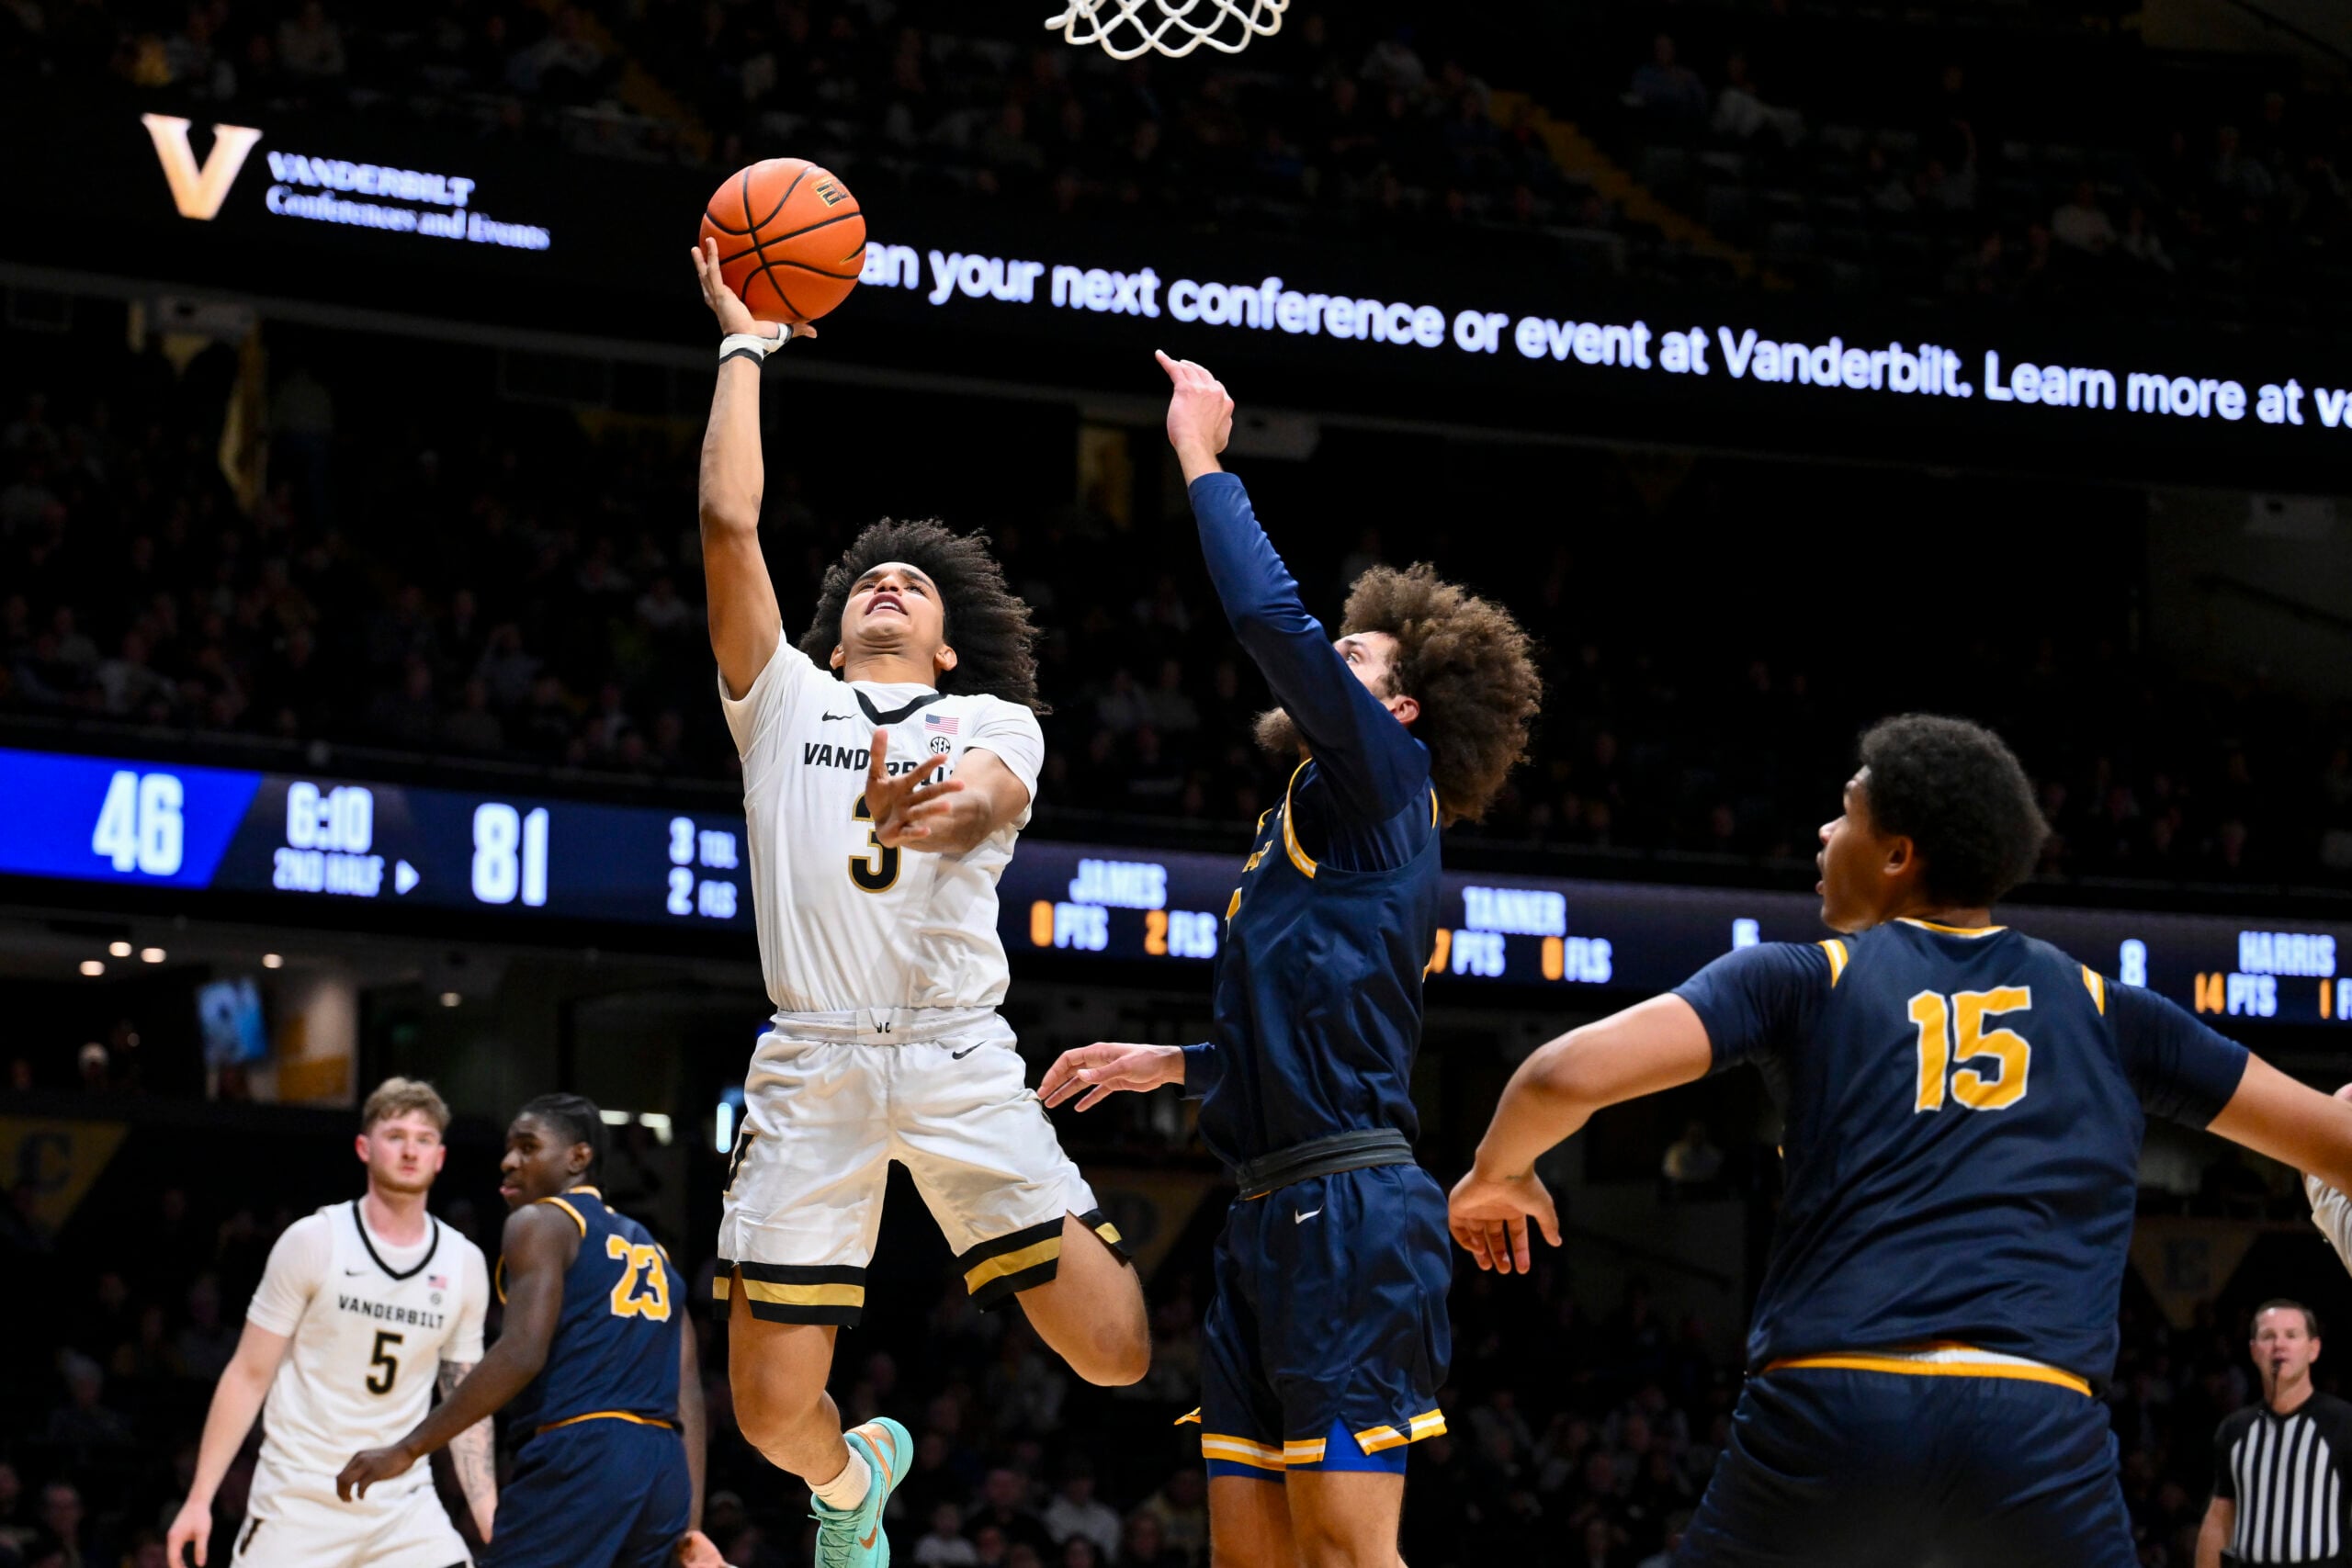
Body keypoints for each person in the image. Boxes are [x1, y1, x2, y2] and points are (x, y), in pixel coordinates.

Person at [1449, 714, 2352, 1565]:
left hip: (1831, 1408)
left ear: (1895, 854)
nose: (1820, 834)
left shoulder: (1799, 979)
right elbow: (2335, 1143)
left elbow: (1557, 1076)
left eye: (1841, 813)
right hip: (2038, 1425)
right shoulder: (2111, 1012)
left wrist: (1500, 1174)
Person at [687, 238, 1149, 1568]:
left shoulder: (991, 712)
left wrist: (946, 808)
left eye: (917, 584)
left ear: (948, 641)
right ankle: (855, 1476)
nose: (889, 582)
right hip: (814, 1056)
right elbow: (729, 523)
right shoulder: (781, 698)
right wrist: (744, 346)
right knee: (773, 1416)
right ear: (831, 633)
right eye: (868, 582)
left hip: (955, 1052)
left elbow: (997, 793)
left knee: (1118, 1355)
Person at [1042, 353, 1541, 1566]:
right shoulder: (1304, 821)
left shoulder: (1387, 777)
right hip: (1267, 1206)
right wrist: (1171, 1057)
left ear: (1405, 705)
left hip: (1350, 1214)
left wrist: (1201, 459)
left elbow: (1271, 620)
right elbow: (1307, 1029)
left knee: (1341, 1554)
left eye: (1361, 656)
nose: (1336, 660)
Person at [336, 1095, 721, 1568]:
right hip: (663, 1472)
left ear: (578, 1157)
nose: (508, 1161)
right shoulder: (656, 1254)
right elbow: (688, 1394)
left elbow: (521, 1353)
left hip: (583, 1451)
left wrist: (408, 1448)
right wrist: (692, 1526)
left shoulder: (541, 1222)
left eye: (527, 1147)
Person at [165, 1077, 492, 1568]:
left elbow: (467, 1399)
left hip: (403, 1508)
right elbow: (248, 1374)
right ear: (364, 1147)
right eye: (395, 1135)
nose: (410, 1151)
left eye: (424, 1140)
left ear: (440, 1158)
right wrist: (199, 1498)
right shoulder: (314, 1241)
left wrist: (488, 1513)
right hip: (300, 1499)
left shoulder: (464, 1263)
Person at [2196, 1301, 2352, 1567]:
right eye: (2268, 1336)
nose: (2279, 1345)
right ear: (2254, 1351)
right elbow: (2219, 1518)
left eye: (2291, 1335)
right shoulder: (2235, 1429)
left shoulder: (2343, 1420)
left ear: (2313, 1349)